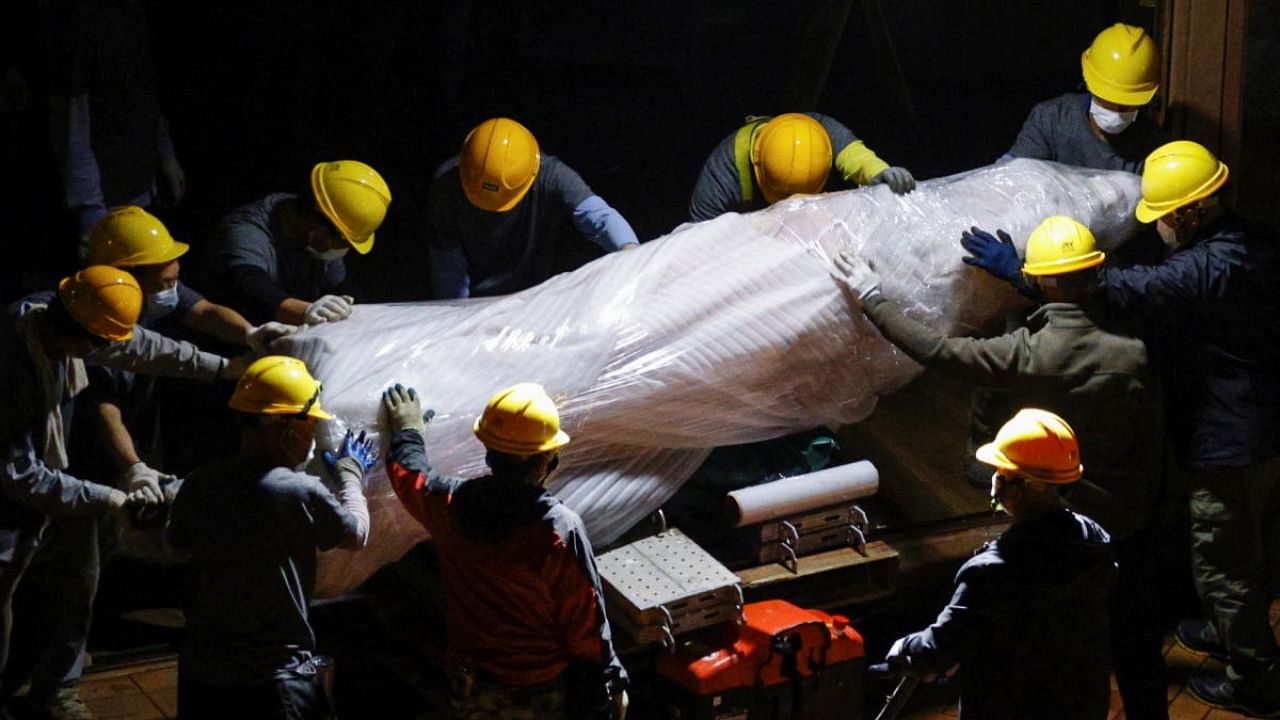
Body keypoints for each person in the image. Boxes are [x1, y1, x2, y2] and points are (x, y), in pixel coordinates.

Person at [965, 140, 1280, 716]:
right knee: (1241, 544)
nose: (1157, 227)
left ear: (1189, 212)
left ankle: (1254, 674)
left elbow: (1131, 288)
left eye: (1161, 217)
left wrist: (1030, 276)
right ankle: (1228, 626)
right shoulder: (1246, 242)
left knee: (1224, 556)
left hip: (1231, 437)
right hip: (1253, 420)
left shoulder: (1207, 266)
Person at [835, 215, 1167, 718]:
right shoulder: (1135, 351)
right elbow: (1151, 445)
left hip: (1055, 524)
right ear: (1095, 272)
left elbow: (936, 351)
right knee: (1131, 645)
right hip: (1123, 526)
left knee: (1038, 649)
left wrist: (871, 297)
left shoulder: (1026, 353)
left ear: (1041, 278)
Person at [1, 266, 242, 719]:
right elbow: (19, 474)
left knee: (78, 586)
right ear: (81, 340)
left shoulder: (64, 311)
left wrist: (223, 368)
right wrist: (112, 498)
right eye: (99, 345)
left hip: (64, 479)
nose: (105, 351)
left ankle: (54, 691)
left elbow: (140, 347)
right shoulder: (11, 365)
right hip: (11, 503)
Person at [382, 382, 627, 720]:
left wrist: (407, 430)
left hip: (473, 687)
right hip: (539, 690)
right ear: (547, 460)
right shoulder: (557, 531)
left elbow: (411, 477)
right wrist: (609, 679)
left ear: (488, 453)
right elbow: (585, 623)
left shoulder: (450, 507)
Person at [166, 356, 374, 719]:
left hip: (203, 670)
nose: (312, 439)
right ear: (286, 429)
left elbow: (177, 544)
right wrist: (350, 475)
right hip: (275, 679)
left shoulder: (199, 482)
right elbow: (355, 535)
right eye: (311, 427)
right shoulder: (298, 491)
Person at [886, 408, 1114, 720]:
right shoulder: (1094, 542)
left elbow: (941, 647)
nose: (994, 480)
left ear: (1027, 484)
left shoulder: (992, 572)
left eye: (1001, 473)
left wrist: (905, 650)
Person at [427, 117, 639, 299]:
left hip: (534, 296)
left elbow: (599, 218)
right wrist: (456, 314)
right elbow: (448, 267)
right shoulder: (447, 185)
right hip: (475, 296)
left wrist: (634, 256)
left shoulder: (552, 176)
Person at [45, 0, 187, 256]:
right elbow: (72, 128)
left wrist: (166, 155)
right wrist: (90, 211)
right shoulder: (82, 25)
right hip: (104, 197)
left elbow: (147, 94)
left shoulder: (134, 17)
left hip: (139, 188)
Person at [201, 160, 391, 325]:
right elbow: (249, 286)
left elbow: (341, 286)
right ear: (316, 228)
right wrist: (306, 310)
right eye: (343, 242)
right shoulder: (244, 231)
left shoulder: (316, 236)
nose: (345, 250)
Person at [688, 111, 915, 222]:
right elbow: (698, 238)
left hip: (815, 217)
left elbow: (858, 158)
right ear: (757, 163)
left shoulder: (825, 133)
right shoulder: (720, 176)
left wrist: (881, 172)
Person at [1004, 23, 1168, 173]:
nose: (1117, 112)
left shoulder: (1151, 143)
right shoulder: (1052, 119)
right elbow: (1011, 177)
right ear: (1090, 85)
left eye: (1127, 104)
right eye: (1109, 101)